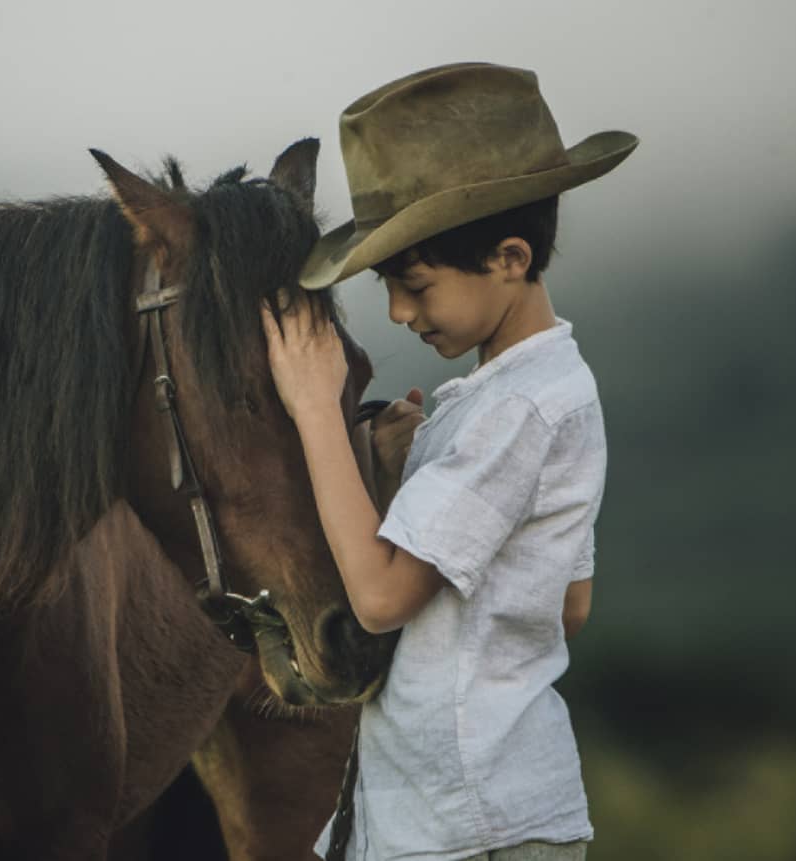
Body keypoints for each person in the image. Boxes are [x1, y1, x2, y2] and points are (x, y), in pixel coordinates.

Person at [258, 62, 638, 861]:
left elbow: (381, 596)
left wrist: (318, 411)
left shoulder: (514, 411)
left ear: (508, 256)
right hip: (475, 814)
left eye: (416, 284)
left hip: (465, 825)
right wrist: (406, 474)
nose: (398, 312)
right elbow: (567, 602)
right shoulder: (535, 394)